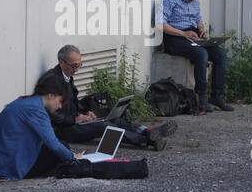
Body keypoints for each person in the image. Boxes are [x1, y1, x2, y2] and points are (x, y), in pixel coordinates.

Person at [38, 45, 178, 151]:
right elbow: (52, 115)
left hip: (74, 121)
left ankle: (146, 131)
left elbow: (71, 105)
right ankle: (146, 140)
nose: (77, 70)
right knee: (104, 126)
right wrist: (74, 119)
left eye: (79, 65)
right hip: (64, 130)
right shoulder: (52, 81)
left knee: (112, 118)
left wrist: (84, 113)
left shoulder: (67, 76)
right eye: (74, 66)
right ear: (61, 62)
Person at [0, 74, 84, 181]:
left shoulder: (25, 102)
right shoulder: (36, 110)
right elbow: (53, 144)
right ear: (51, 95)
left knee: (59, 148)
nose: (60, 106)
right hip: (6, 168)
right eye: (60, 101)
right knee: (61, 148)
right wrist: (73, 157)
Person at [159, 0, 234, 113]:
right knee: (201, 53)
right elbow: (159, 24)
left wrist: (201, 30)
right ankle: (201, 98)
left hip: (192, 35)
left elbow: (198, 19)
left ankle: (217, 96)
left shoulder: (194, 1)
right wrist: (183, 33)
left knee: (220, 54)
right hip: (174, 37)